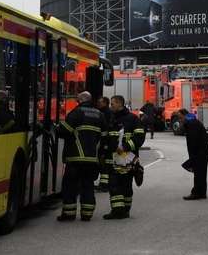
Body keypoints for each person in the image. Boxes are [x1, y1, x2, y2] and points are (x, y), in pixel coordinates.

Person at [56, 91, 106, 221]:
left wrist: (57, 127)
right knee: (88, 185)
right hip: (92, 159)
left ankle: (69, 214)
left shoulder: (76, 113)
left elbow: (64, 131)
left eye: (77, 100)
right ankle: (87, 214)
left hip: (75, 158)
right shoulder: (99, 114)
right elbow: (105, 136)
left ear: (81, 100)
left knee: (70, 186)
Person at [104, 95, 145, 219]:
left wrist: (125, 147)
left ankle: (124, 210)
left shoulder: (133, 119)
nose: (111, 106)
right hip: (114, 158)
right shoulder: (110, 118)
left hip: (128, 159)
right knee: (114, 184)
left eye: (112, 104)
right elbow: (107, 137)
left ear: (120, 104)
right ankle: (118, 211)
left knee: (126, 185)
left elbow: (139, 137)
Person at [179, 108, 208, 200]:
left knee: (198, 173)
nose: (180, 120)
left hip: (200, 152)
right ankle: (202, 193)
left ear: (183, 116)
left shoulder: (191, 124)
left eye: (180, 117)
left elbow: (193, 141)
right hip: (203, 151)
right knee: (201, 173)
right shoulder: (192, 121)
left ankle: (196, 193)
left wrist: (193, 156)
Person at [95, 96, 114, 191]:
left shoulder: (105, 113)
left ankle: (104, 185)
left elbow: (105, 129)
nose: (98, 103)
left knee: (104, 164)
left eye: (100, 102)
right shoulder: (105, 112)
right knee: (104, 164)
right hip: (105, 141)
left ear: (105, 103)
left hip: (105, 141)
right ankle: (104, 184)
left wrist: (104, 144)